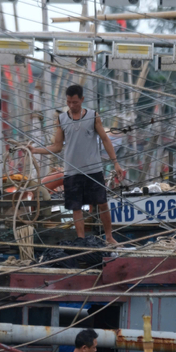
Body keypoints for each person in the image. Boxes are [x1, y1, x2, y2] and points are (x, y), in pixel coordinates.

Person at [29, 85, 123, 245]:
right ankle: (81, 239)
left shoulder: (93, 116)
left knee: (102, 203)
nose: (72, 105)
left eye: (75, 102)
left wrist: (115, 163)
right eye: (69, 102)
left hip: (93, 169)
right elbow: (57, 146)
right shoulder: (62, 119)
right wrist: (35, 150)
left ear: (82, 100)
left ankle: (109, 236)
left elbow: (105, 139)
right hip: (72, 172)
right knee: (76, 206)